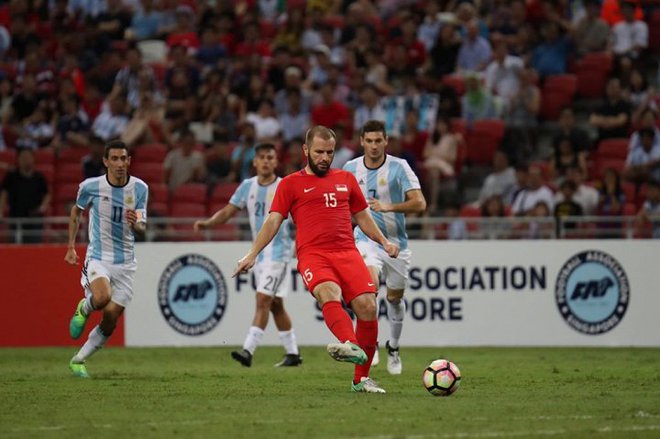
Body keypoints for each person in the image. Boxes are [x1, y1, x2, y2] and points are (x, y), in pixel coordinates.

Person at [234, 126, 399, 393]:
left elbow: (363, 216)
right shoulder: (290, 184)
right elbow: (273, 220)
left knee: (368, 306)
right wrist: (252, 253)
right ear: (306, 150)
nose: (324, 157)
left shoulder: (346, 179)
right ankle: (350, 343)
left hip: (347, 252)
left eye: (329, 152)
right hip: (314, 255)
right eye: (319, 152)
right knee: (328, 292)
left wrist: (384, 241)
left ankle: (361, 380)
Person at [194, 143, 301, 368]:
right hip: (258, 256)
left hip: (279, 255)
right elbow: (228, 211)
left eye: (270, 157)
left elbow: (301, 218)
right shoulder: (247, 186)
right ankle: (293, 354)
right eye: (261, 157)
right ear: (254, 162)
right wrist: (208, 223)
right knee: (276, 305)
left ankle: (248, 351)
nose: (265, 161)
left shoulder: (286, 186)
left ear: (276, 161)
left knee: (262, 300)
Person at [343, 120, 426, 374]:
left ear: (386, 141)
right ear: (361, 142)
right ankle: (370, 345)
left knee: (394, 299)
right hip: (366, 240)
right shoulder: (350, 168)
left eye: (378, 141)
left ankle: (394, 347)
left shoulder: (399, 167)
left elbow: (420, 204)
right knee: (368, 289)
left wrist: (388, 206)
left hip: (396, 244)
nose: (374, 146)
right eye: (369, 141)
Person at [66, 140, 148, 378]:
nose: (120, 164)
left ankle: (78, 360)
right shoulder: (91, 186)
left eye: (124, 159)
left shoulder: (140, 188)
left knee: (111, 320)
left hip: (126, 263)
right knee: (102, 298)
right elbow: (76, 211)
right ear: (105, 161)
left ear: (129, 161)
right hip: (99, 256)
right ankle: (84, 307)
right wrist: (71, 246)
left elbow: (142, 227)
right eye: (115, 159)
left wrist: (137, 224)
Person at [0, 148, 50, 243]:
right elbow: (4, 194)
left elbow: (47, 194)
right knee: (14, 248)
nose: (26, 160)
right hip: (15, 217)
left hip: (34, 219)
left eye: (28, 157)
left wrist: (42, 207)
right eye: (23, 157)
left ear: (33, 159)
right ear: (18, 159)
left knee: (34, 248)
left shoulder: (39, 177)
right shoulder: (11, 176)